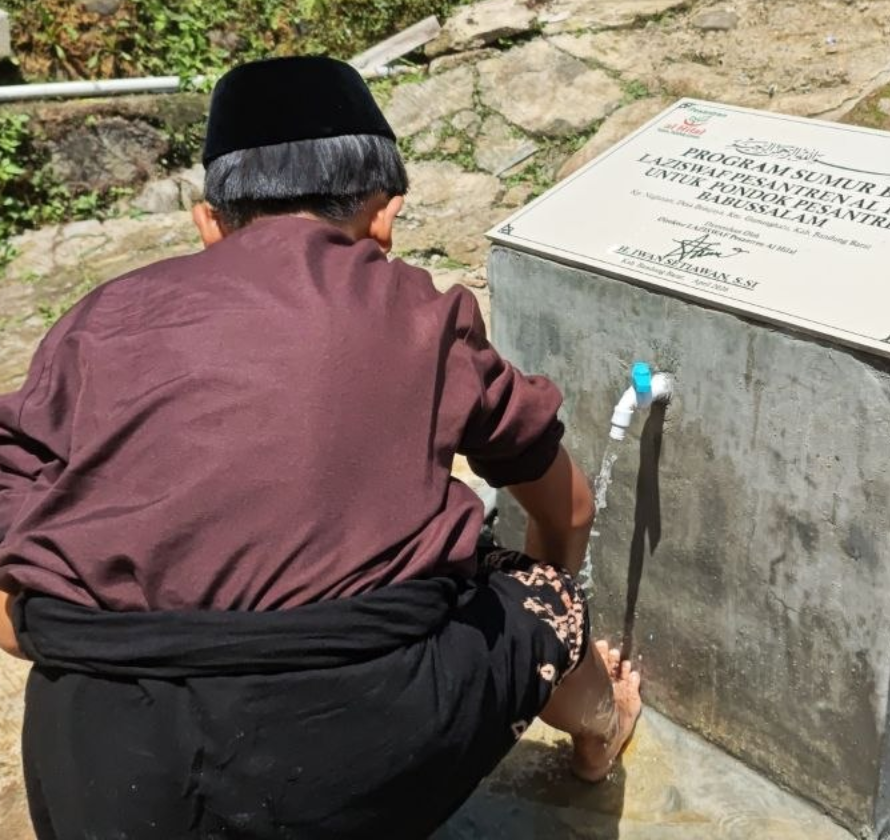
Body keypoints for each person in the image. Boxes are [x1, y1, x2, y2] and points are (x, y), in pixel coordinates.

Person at [0, 55, 641, 839]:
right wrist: (535, 619)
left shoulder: (99, 320)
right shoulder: (423, 315)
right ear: (385, 216)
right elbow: (568, 509)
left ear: (208, 223)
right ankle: (599, 734)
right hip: (354, 758)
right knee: (543, 594)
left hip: (98, 772)